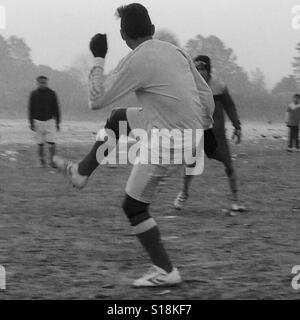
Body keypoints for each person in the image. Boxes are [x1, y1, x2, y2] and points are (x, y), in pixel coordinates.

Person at [53, 3, 215, 287]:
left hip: (169, 139)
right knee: (118, 119)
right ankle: (81, 172)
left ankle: (165, 270)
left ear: (123, 35)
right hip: (186, 130)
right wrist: (203, 126)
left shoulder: (136, 60)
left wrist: (99, 58)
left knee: (134, 207)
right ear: (152, 30)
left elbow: (96, 100)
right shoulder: (175, 50)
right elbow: (205, 93)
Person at [174, 55, 245, 213]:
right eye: (196, 68)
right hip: (197, 133)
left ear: (209, 69)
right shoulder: (189, 87)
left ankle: (235, 200)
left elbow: (230, 107)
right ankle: (184, 193)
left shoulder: (219, 87)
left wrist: (237, 126)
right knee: (191, 165)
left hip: (217, 135)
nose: (200, 72)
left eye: (202, 68)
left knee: (228, 164)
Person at [28, 76, 61, 167]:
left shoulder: (52, 93)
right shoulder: (33, 94)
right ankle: (42, 161)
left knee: (52, 143)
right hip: (37, 122)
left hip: (50, 121)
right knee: (40, 144)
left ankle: (52, 161)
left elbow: (57, 109)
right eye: (41, 82)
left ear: (47, 83)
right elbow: (30, 109)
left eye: (44, 82)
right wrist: (31, 123)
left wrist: (58, 123)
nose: (43, 84)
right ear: (37, 83)